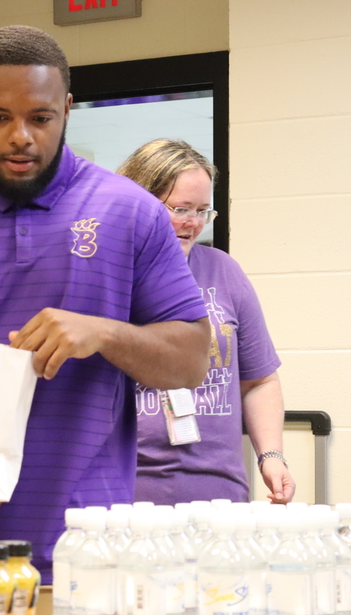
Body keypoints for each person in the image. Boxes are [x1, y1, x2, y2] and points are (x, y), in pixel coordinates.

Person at [0, 25, 210, 579]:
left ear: (67, 110)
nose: (20, 136)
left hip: (93, 549)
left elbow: (193, 358)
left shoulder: (131, 212)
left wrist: (105, 333)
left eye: (41, 118)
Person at [117, 139, 294, 505]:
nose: (191, 223)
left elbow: (259, 381)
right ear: (139, 202)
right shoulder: (108, 276)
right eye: (180, 208)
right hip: (127, 494)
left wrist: (271, 456)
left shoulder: (223, 270)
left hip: (219, 492)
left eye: (202, 211)